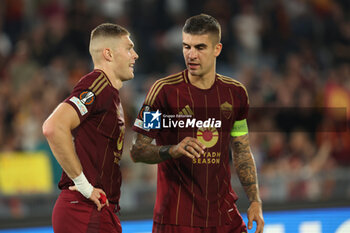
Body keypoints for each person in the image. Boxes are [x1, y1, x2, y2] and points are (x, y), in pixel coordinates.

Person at [131, 14, 264, 233]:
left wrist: (255, 200)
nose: (191, 55)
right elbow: (137, 149)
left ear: (217, 49)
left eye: (200, 47)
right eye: (186, 46)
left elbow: (241, 149)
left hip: (224, 217)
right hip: (177, 219)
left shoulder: (236, 94)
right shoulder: (163, 93)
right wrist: (172, 150)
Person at [42, 23, 138, 233]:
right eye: (129, 48)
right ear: (108, 54)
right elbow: (54, 127)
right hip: (84, 209)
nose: (135, 55)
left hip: (95, 210)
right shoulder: (97, 84)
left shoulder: (110, 94)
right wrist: (84, 186)